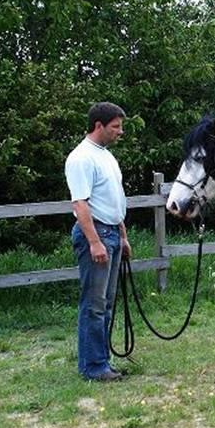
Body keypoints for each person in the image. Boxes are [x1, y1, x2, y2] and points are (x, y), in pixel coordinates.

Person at [65, 102, 132, 382]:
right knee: (93, 303)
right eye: (116, 127)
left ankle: (101, 361)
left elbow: (112, 200)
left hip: (112, 233)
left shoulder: (105, 156)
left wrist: (124, 236)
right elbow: (81, 204)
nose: (120, 132)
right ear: (98, 126)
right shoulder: (81, 158)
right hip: (98, 234)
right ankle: (93, 366)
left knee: (105, 303)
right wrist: (94, 242)